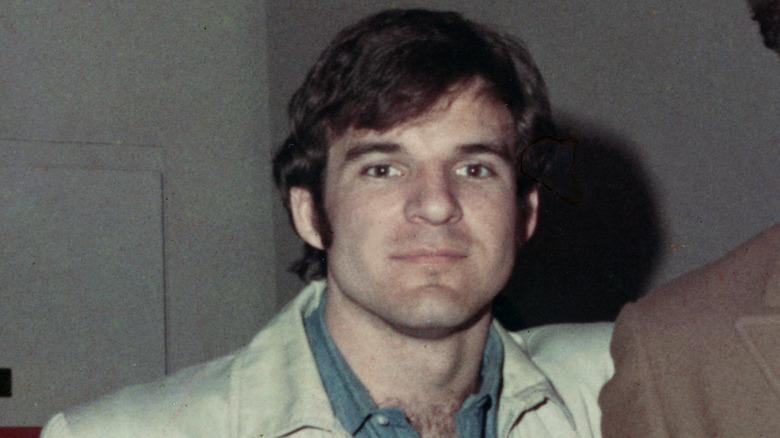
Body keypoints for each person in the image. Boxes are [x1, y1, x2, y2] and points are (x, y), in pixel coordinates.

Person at [41, 9, 613, 438]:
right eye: (384, 169)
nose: (436, 204)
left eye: (474, 167)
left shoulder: (618, 393)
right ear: (310, 214)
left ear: (525, 214)